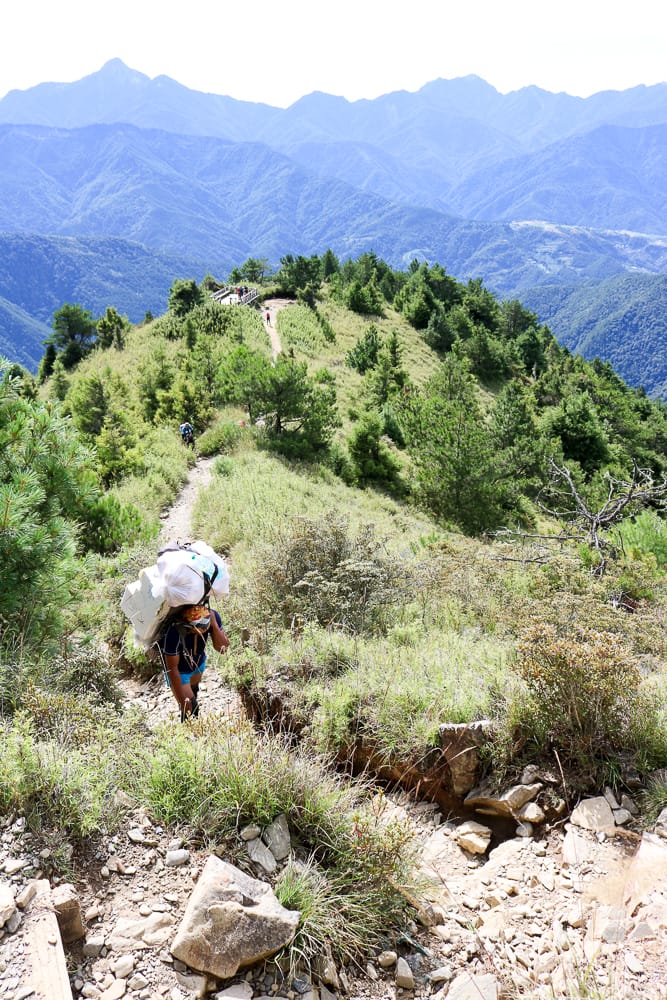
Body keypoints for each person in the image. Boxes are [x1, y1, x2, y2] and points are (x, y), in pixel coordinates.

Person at [161, 604, 230, 721]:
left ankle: (190, 725)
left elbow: (223, 649)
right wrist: (182, 699)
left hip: (198, 664)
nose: (201, 632)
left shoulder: (212, 617)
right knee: (191, 709)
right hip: (180, 671)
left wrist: (214, 625)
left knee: (194, 692)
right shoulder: (174, 633)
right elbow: (172, 669)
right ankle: (188, 735)